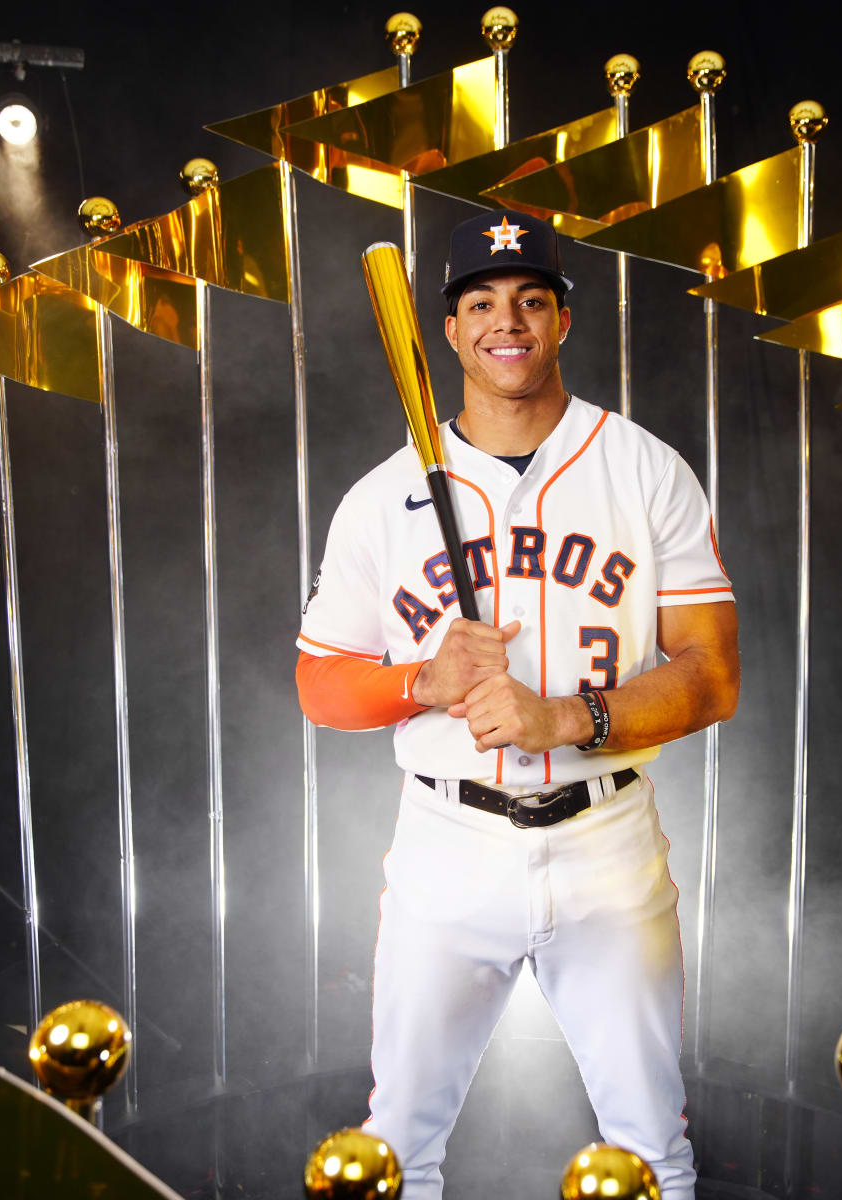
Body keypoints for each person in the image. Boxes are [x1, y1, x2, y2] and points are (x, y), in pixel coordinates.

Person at [295, 209, 738, 1199]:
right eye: (482, 303)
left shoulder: (644, 468)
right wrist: (423, 682)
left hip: (608, 843)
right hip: (448, 851)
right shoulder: (382, 497)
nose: (508, 321)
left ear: (563, 320)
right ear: (449, 331)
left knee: (653, 1153)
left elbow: (713, 676)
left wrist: (566, 718)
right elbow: (320, 681)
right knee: (396, 1152)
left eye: (531, 300)